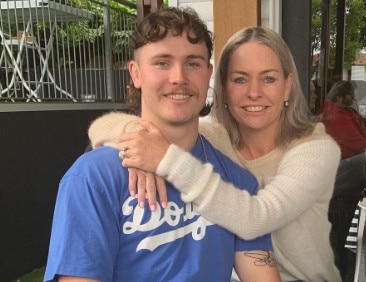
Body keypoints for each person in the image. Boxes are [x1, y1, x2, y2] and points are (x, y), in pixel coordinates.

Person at [44, 7, 280, 282]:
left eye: (193, 63)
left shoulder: (237, 182)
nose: (179, 77)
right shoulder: (93, 178)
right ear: (136, 73)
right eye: (162, 62)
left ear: (208, 73)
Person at [88, 26, 342, 282]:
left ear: (287, 87)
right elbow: (100, 128)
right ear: (223, 88)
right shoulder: (215, 140)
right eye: (240, 79)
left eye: (269, 79)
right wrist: (139, 138)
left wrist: (165, 159)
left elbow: (255, 218)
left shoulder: (315, 148)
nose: (254, 92)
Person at [316, 80, 366, 281]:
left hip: (350, 181)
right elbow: (356, 143)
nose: (353, 98)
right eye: (350, 95)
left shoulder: (343, 112)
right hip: (341, 187)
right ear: (339, 95)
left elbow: (364, 134)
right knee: (341, 241)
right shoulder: (332, 116)